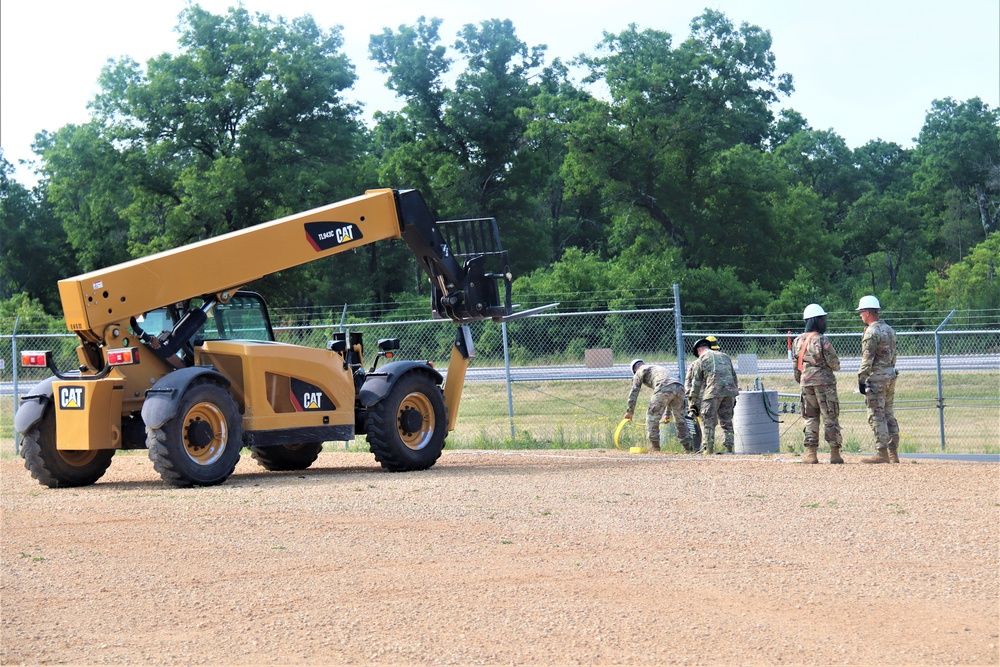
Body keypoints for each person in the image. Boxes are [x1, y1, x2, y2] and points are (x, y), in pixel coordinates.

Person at [793, 304, 843, 464]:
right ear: (817, 321)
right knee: (830, 416)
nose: (824, 322)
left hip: (805, 383)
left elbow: (796, 366)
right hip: (824, 384)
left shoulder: (797, 341)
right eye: (823, 319)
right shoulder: (822, 340)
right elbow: (834, 363)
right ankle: (834, 454)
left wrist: (801, 379)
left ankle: (811, 454)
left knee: (810, 417)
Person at [856, 295, 900, 464]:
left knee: (876, 414)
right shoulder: (889, 330)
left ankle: (881, 452)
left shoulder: (871, 332)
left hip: (877, 378)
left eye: (861, 312)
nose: (860, 315)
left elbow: (867, 360)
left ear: (867, 312)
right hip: (890, 374)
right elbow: (894, 354)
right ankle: (893, 452)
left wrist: (861, 379)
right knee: (889, 412)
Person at [624, 359, 693, 452]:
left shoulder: (639, 371)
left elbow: (634, 392)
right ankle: (688, 448)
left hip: (664, 387)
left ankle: (655, 447)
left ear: (634, 370)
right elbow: (670, 395)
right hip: (679, 388)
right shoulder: (656, 368)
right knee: (680, 420)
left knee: (652, 416)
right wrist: (667, 415)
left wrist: (630, 412)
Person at [685, 338, 739, 454]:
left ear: (699, 350)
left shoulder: (702, 359)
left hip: (712, 392)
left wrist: (692, 402)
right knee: (727, 421)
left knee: (708, 421)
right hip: (729, 392)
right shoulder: (725, 356)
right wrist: (734, 394)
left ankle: (708, 449)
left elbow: (696, 382)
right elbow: (734, 376)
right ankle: (729, 449)